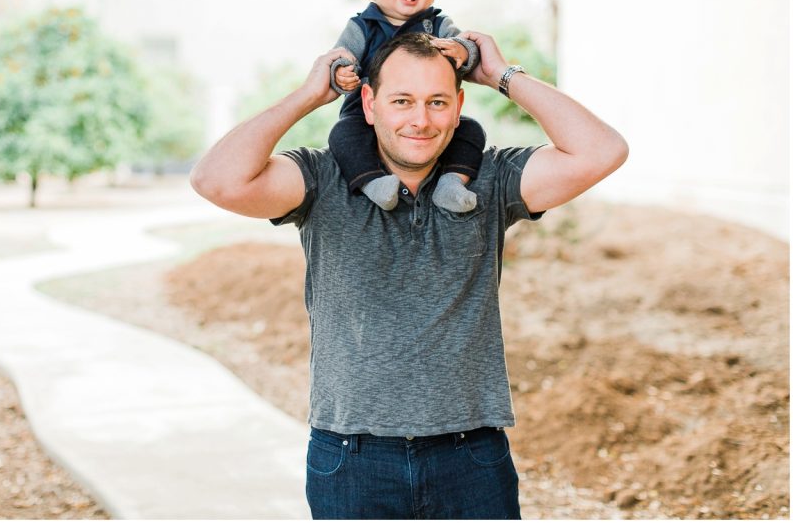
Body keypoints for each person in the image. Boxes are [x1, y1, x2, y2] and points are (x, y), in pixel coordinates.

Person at [190, 32, 628, 519]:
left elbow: (602, 151)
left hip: (471, 459)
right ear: (369, 103)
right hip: (352, 460)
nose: (420, 119)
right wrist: (309, 95)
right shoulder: (321, 178)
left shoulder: (490, 179)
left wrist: (501, 75)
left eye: (437, 102)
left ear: (458, 107)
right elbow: (215, 180)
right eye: (402, 101)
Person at [329, 0, 485, 213]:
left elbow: (466, 45)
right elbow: (342, 55)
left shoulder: (437, 24)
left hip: (426, 107)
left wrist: (463, 50)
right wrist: (341, 72)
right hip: (362, 111)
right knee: (343, 135)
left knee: (471, 130)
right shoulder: (362, 26)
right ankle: (373, 183)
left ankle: (451, 183)